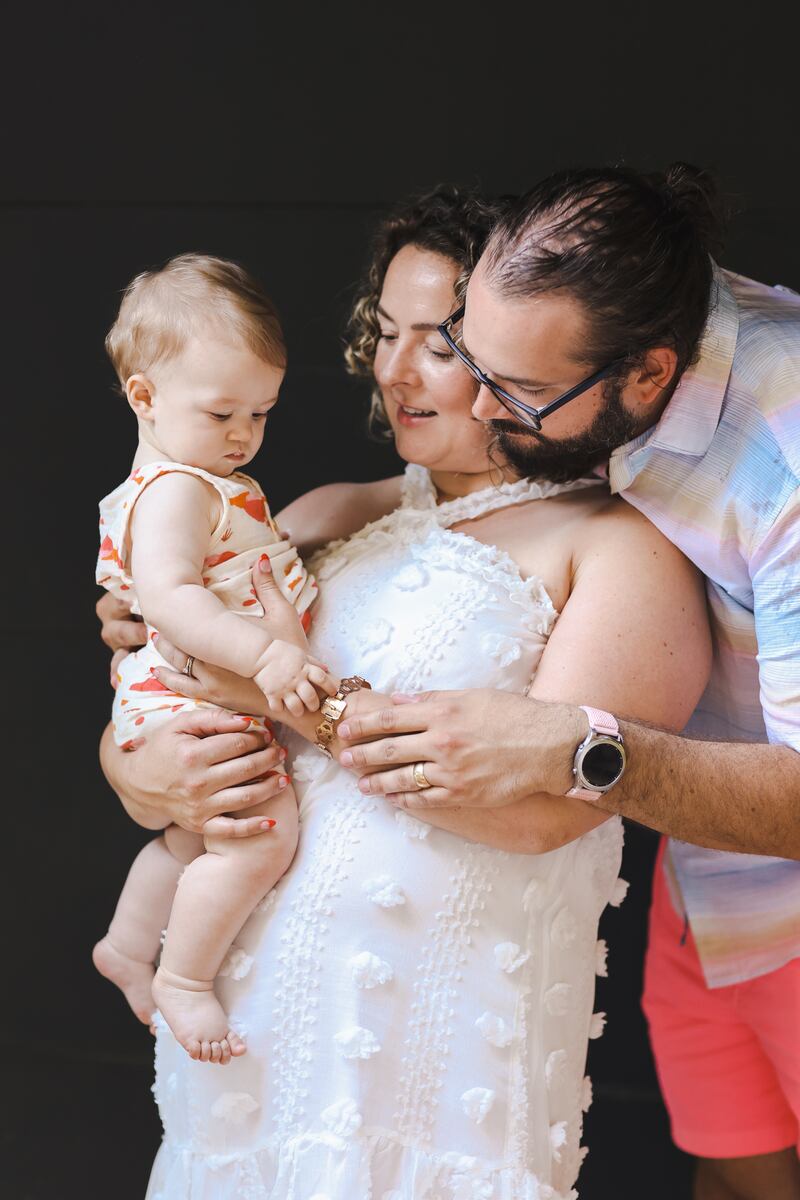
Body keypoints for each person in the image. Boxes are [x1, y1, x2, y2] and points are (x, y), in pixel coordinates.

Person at [97, 186, 710, 1199]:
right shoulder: (323, 515)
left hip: (427, 1052)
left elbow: (546, 811)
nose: (392, 371)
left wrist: (311, 709)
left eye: (440, 343)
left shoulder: (611, 547)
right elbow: (168, 688)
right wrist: (144, 771)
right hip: (245, 1032)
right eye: (385, 333)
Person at [334, 166, 800, 1200]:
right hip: (709, 887)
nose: (480, 409)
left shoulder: (784, 455)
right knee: (729, 1177)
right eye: (473, 355)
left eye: (513, 393)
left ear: (645, 376)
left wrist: (571, 748)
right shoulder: (602, 331)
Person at [92, 253, 336, 1065]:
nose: (245, 434)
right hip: (191, 693)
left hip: (178, 693)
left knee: (196, 841)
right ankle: (183, 980)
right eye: (223, 412)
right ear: (145, 398)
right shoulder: (175, 491)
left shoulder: (201, 479)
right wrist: (266, 660)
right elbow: (168, 601)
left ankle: (128, 945)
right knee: (260, 834)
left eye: (261, 413)